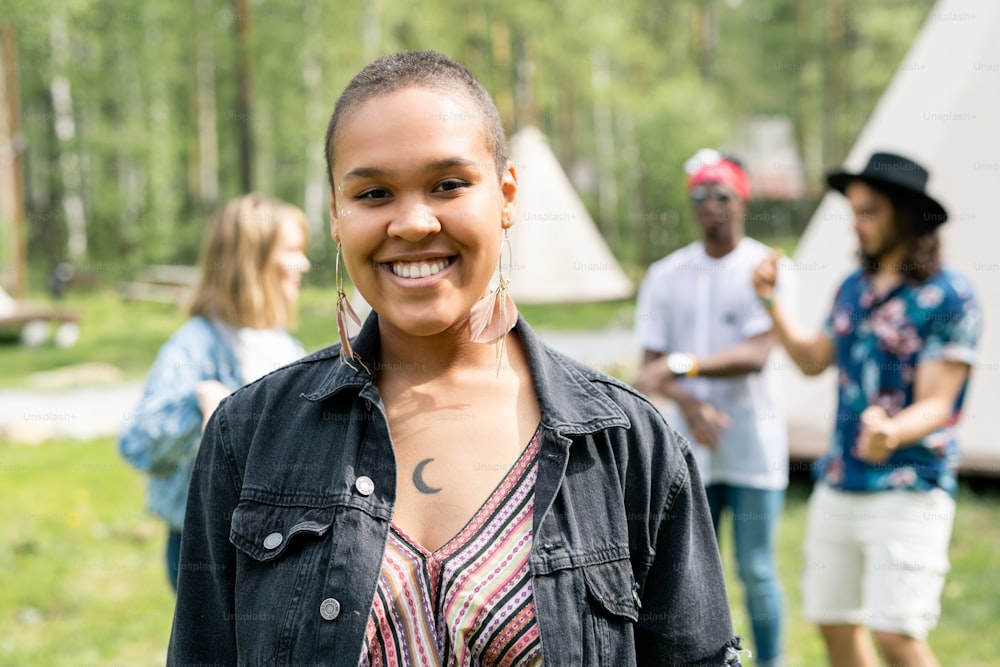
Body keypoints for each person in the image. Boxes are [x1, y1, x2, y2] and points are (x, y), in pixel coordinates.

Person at [167, 50, 744, 666]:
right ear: (337, 214)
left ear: (507, 194)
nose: (413, 222)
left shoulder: (629, 446)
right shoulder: (249, 435)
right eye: (373, 192)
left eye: (447, 184)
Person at [752, 151, 981, 667]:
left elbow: (939, 402)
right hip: (840, 479)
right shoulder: (852, 289)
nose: (857, 223)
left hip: (909, 485)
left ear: (907, 216)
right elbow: (813, 360)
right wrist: (771, 303)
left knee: (896, 633)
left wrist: (892, 430)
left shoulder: (949, 297)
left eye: (870, 211)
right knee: (834, 623)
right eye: (854, 211)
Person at [633, 148, 792, 667]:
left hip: (752, 443)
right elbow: (649, 369)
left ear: (741, 198)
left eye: (721, 194)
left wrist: (682, 371)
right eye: (700, 195)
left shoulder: (766, 267)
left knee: (757, 569)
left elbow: (756, 354)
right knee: (696, 574)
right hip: (689, 451)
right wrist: (690, 403)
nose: (710, 205)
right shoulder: (667, 273)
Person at [119, 193, 311, 592]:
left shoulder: (284, 345)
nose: (304, 264)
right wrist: (200, 404)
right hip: (208, 548)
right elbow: (137, 443)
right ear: (251, 259)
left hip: (273, 540)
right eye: (292, 251)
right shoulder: (196, 345)